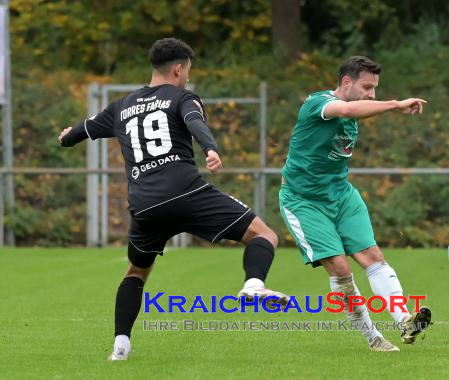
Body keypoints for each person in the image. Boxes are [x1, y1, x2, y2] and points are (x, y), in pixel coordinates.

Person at [59, 38, 289, 361]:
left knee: (135, 274)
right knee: (265, 235)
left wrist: (66, 136)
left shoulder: (120, 107)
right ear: (178, 69)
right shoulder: (182, 97)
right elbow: (196, 123)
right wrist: (210, 148)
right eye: (188, 72)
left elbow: (79, 132)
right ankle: (253, 286)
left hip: (145, 207)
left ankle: (120, 346)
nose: (188, 78)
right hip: (188, 194)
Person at [279, 56, 431, 352]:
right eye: (367, 87)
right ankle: (374, 338)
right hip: (303, 201)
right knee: (340, 268)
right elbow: (347, 108)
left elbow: (354, 111)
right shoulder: (317, 103)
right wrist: (396, 104)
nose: (372, 94)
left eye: (375, 88)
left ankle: (405, 321)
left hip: (342, 195)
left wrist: (384, 104)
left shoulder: (354, 115)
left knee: (372, 255)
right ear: (346, 82)